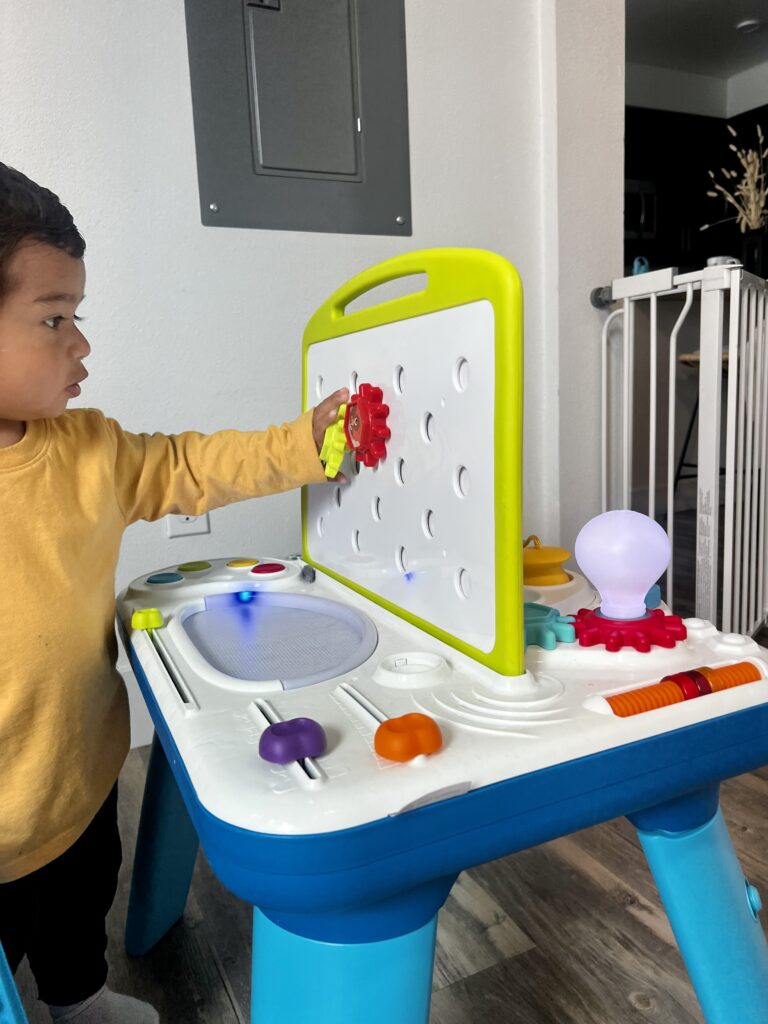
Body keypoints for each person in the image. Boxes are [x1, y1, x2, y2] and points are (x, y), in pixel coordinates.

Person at [0, 161, 347, 1023]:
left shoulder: (90, 449)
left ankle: (80, 1000)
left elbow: (190, 464)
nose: (80, 345)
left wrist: (304, 443)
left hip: (79, 779)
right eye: (54, 320)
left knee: (81, 904)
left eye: (77, 318)